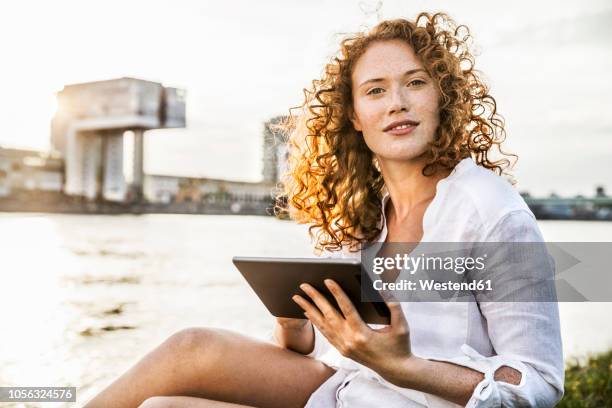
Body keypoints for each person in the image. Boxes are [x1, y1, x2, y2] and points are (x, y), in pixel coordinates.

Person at [84, 12, 564, 408]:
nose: (397, 103)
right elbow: (325, 354)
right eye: (375, 90)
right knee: (183, 362)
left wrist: (402, 366)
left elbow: (540, 384)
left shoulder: (492, 211)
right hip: (348, 391)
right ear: (354, 115)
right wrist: (293, 325)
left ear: (442, 97)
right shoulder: (369, 214)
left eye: (414, 83)